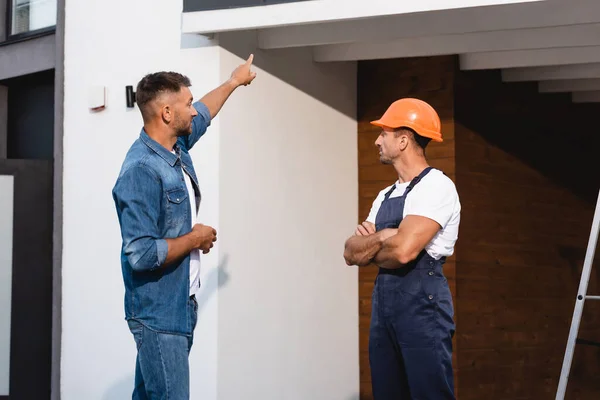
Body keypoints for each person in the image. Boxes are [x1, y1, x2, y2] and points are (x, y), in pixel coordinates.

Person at [112, 55, 257, 399]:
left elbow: (204, 114)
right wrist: (194, 238)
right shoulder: (141, 170)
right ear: (166, 113)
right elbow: (142, 254)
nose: (194, 111)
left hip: (179, 305)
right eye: (187, 104)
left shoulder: (174, 147)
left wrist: (234, 81)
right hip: (158, 313)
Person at [343, 98, 461, 399]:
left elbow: (404, 252)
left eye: (384, 133)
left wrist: (375, 246)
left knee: (428, 393)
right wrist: (386, 236)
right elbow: (350, 251)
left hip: (423, 306)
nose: (377, 141)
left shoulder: (436, 186)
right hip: (385, 307)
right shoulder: (385, 194)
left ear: (404, 140)